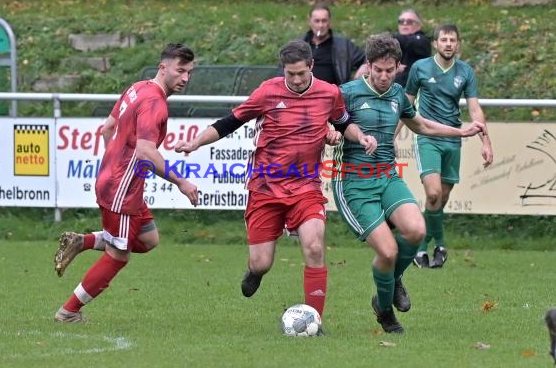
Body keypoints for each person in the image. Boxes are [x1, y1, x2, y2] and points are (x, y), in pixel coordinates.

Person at [174, 39, 377, 322]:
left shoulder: (329, 93)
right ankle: (255, 271)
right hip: (265, 187)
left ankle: (314, 321)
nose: (295, 79)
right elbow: (230, 121)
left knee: (315, 246)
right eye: (289, 73)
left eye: (300, 74)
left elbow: (344, 123)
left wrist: (360, 136)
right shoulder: (268, 91)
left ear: (311, 66)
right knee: (262, 262)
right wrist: (195, 143)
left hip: (306, 186)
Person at [333, 33, 486, 333]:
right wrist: (334, 133)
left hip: (387, 177)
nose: (383, 76)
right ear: (368, 66)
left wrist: (462, 132)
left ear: (398, 68)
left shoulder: (397, 95)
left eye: (390, 70)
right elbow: (327, 122)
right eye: (378, 70)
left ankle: (390, 284)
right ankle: (385, 312)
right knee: (388, 252)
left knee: (417, 231)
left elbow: (422, 124)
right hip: (354, 184)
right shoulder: (347, 92)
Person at [53, 43, 199, 323]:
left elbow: (107, 128)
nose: (185, 78)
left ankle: (81, 241)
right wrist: (181, 182)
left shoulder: (138, 87)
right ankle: (68, 312)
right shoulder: (155, 103)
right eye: (180, 71)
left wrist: (115, 163)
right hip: (122, 188)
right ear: (163, 67)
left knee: (147, 240)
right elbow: (146, 152)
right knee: (118, 255)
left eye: (189, 72)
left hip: (120, 183)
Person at [405, 24, 494, 269]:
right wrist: (390, 139)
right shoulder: (420, 68)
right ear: (435, 43)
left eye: (452, 40)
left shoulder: (465, 71)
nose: (448, 43)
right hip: (427, 137)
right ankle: (441, 244)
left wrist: (485, 142)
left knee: (440, 200)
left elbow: (475, 109)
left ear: (458, 44)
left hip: (453, 138)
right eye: (443, 39)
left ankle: (421, 248)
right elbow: (406, 104)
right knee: (432, 193)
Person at [354, 8, 431, 87]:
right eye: (401, 21)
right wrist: (365, 65)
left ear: (419, 26)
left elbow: (408, 41)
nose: (404, 23)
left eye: (409, 22)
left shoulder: (422, 40)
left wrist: (384, 38)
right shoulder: (393, 42)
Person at [297, 3, 365, 85]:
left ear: (330, 22)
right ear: (310, 22)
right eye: (317, 21)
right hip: (304, 93)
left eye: (324, 21)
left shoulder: (343, 45)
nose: (320, 25)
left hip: (333, 94)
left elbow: (369, 57)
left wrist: (365, 66)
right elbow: (284, 69)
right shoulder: (299, 44)